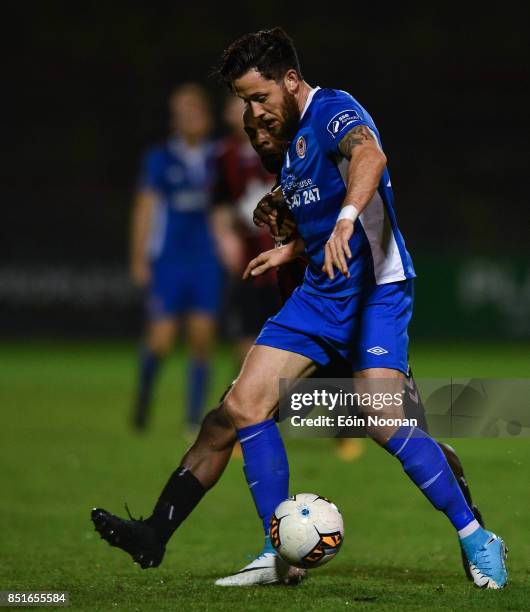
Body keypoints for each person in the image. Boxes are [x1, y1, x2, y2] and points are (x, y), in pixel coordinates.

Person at [91, 107, 486, 586]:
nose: (258, 135)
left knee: (402, 432)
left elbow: (358, 193)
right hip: (310, 330)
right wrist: (286, 233)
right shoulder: (288, 180)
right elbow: (300, 226)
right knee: (227, 419)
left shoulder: (324, 160)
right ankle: (160, 533)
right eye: (251, 130)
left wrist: (312, 229)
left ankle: (472, 525)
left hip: (359, 320)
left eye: (264, 126)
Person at [130, 83, 223, 433]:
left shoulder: (219, 157)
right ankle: (142, 401)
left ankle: (192, 418)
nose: (187, 116)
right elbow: (145, 208)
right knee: (162, 338)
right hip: (170, 260)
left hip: (206, 260)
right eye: (180, 111)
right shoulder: (160, 158)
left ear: (206, 115)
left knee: (201, 338)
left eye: (193, 109)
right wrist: (139, 258)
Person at [212, 95, 279, 363]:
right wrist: (224, 236)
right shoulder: (223, 156)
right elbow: (219, 204)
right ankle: (252, 395)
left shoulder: (283, 145)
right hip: (249, 263)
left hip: (287, 258)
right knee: (247, 338)